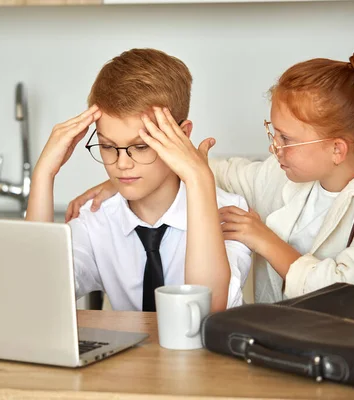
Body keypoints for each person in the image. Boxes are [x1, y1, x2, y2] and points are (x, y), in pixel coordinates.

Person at [66, 48, 354, 304]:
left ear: (337, 149)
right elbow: (212, 169)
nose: (274, 148)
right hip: (286, 358)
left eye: (286, 139)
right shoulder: (284, 175)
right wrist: (124, 175)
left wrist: (264, 240)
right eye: (273, 133)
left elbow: (350, 290)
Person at [26, 48, 252, 311]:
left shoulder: (228, 213)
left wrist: (199, 178)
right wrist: (44, 175)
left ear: (183, 135)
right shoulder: (97, 218)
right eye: (108, 146)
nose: (122, 164)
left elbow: (206, 312)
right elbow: (36, 296)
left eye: (141, 147)